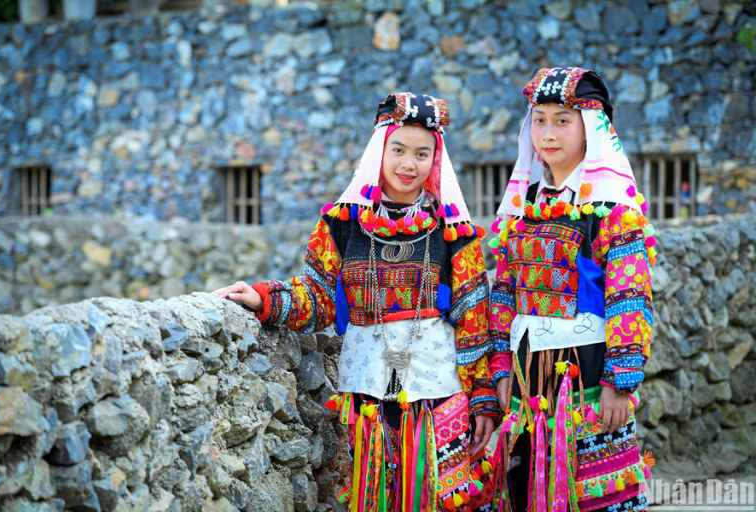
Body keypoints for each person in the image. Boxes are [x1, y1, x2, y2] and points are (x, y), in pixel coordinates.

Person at [213, 93, 500, 511]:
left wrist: (483, 398)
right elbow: (318, 298)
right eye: (398, 149)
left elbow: (474, 321)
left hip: (441, 395)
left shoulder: (454, 233)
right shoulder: (342, 223)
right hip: (367, 397)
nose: (408, 164)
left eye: (422, 154)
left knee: (445, 500)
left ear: (435, 160)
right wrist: (264, 299)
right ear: (379, 149)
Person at [487, 68, 657, 512]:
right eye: (539, 119)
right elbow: (504, 290)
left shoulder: (613, 210)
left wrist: (620, 380)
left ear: (592, 127)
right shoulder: (523, 210)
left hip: (587, 368)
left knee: (593, 488)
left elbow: (629, 296)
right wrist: (502, 365)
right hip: (527, 374)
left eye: (563, 119)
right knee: (527, 486)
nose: (548, 132)